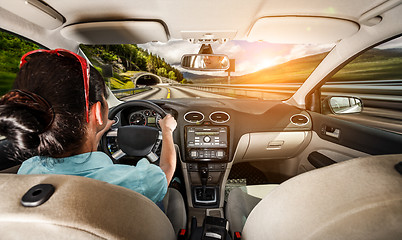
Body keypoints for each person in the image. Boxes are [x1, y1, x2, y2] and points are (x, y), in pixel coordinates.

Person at [0, 49, 177, 203]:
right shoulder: (135, 181)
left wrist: (97, 131)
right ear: (98, 113)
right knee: (175, 198)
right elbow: (166, 171)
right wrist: (167, 131)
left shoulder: (29, 168)